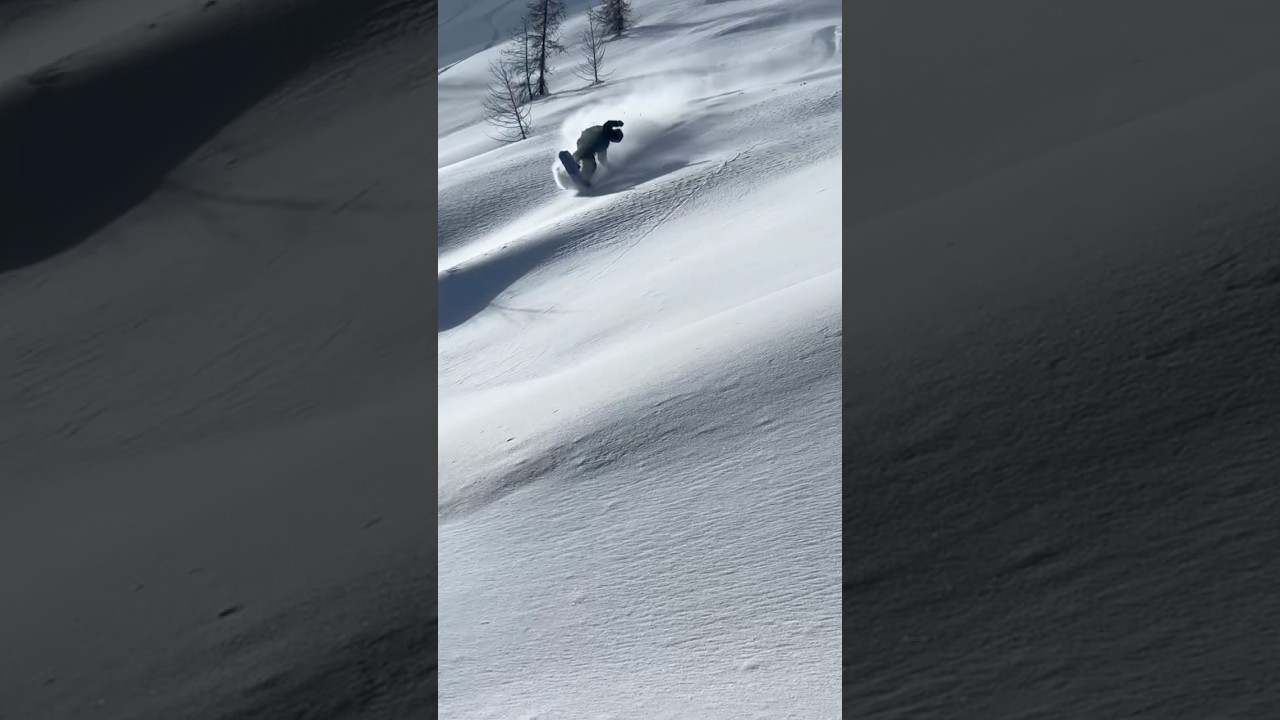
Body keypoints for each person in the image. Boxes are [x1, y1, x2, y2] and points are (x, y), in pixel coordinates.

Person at [569, 120, 624, 185]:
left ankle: (584, 180)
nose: (614, 140)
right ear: (614, 133)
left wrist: (609, 167)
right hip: (584, 141)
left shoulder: (605, 144)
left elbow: (601, 159)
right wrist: (617, 123)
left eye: (615, 141)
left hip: (588, 151)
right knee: (584, 151)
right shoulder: (607, 131)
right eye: (615, 138)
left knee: (592, 165)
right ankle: (574, 160)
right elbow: (608, 123)